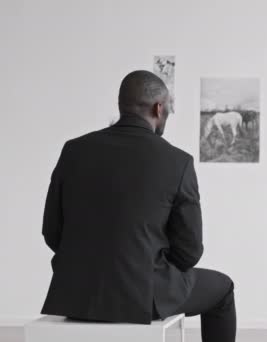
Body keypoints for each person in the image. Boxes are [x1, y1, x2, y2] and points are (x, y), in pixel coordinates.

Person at [40, 70, 236, 342]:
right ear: (159, 108)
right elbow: (190, 251)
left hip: (74, 295)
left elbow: (52, 232)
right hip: (143, 296)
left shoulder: (73, 150)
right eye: (168, 109)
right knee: (223, 289)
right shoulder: (177, 161)